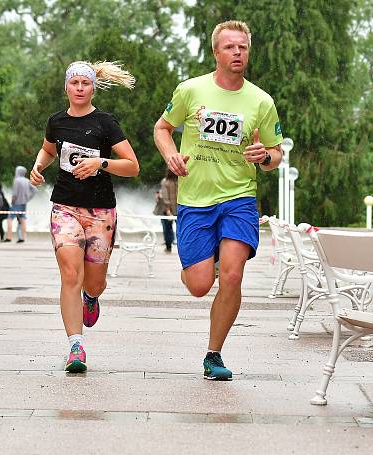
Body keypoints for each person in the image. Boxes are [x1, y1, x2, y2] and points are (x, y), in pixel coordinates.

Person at [153, 20, 284, 380]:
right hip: (195, 199)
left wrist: (265, 156)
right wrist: (170, 155)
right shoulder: (190, 90)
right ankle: (199, 265)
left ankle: (214, 354)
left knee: (232, 274)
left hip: (239, 198)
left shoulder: (261, 101)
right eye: (230, 47)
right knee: (199, 286)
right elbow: (162, 128)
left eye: (242, 47)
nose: (237, 52)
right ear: (216, 52)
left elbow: (276, 153)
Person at [29, 60, 139, 372]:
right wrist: (39, 167)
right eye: (74, 83)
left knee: (94, 281)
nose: (79, 88)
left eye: (85, 83)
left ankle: (91, 297)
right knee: (69, 274)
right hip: (64, 206)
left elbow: (132, 166)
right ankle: (75, 346)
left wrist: (101, 163)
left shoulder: (106, 123)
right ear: (66, 87)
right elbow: (48, 150)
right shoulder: (57, 121)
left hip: (101, 211)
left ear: (93, 87)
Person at [154, 169, 178, 253]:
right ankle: (174, 246)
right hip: (177, 209)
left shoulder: (165, 181)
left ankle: (168, 247)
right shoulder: (179, 181)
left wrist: (168, 209)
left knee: (167, 229)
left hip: (169, 209)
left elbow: (165, 198)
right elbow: (165, 197)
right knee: (179, 229)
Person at [10, 166, 35, 243]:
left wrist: (12, 202)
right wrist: (28, 198)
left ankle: (8, 237)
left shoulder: (16, 180)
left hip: (16, 203)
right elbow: (34, 190)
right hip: (24, 203)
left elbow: (14, 194)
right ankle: (22, 237)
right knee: (22, 219)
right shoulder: (27, 180)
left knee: (9, 219)